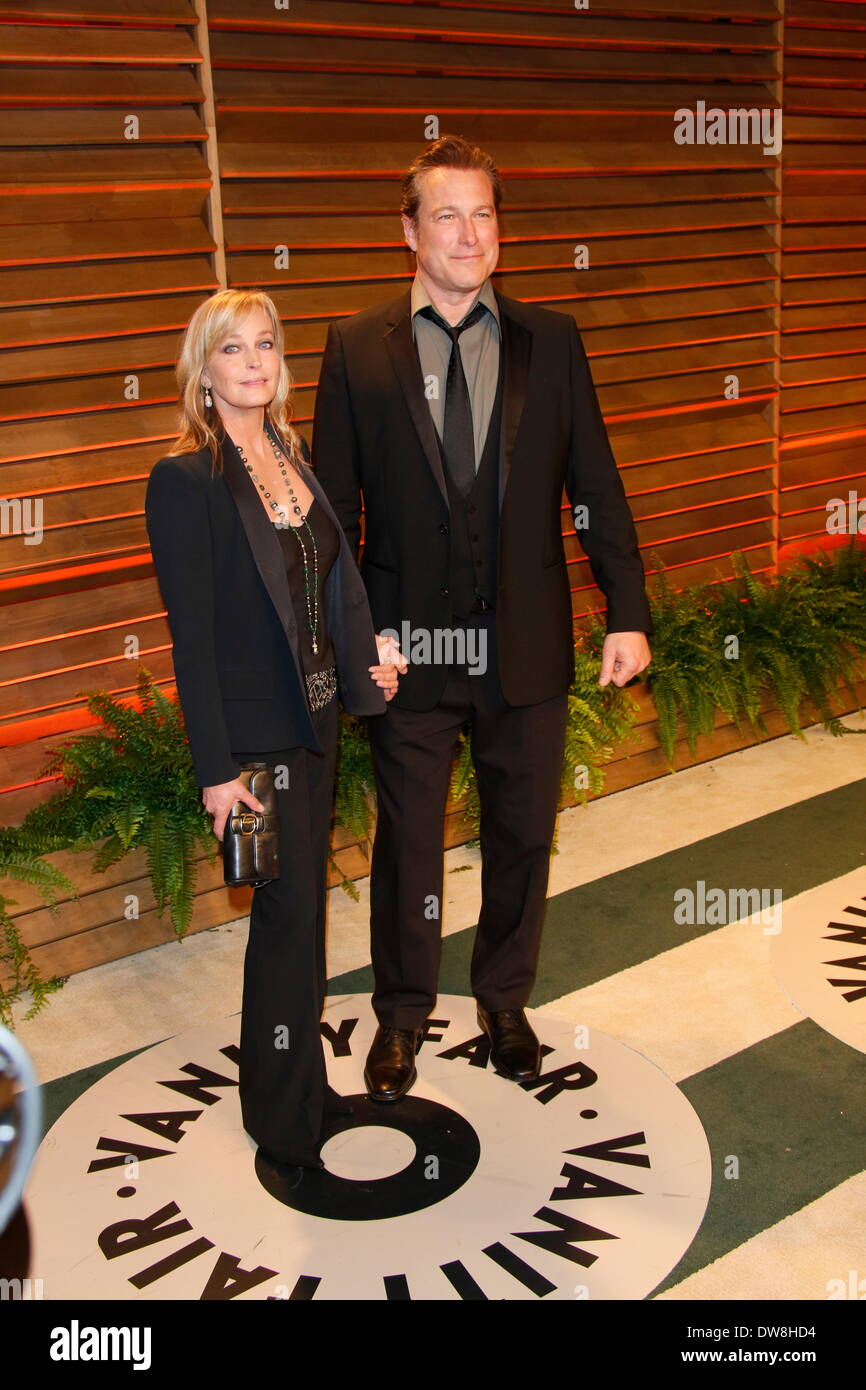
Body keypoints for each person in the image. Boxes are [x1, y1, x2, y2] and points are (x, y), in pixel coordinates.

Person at [313, 135, 653, 1102]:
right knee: (409, 842)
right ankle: (402, 1013)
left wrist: (626, 609)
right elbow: (335, 512)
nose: (469, 232)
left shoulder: (555, 341)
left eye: (485, 214)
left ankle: (505, 998)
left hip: (527, 644)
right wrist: (355, 635)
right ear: (409, 232)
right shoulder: (356, 344)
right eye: (446, 214)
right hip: (407, 652)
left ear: (501, 232)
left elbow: (597, 485)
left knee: (520, 833)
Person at [145, 289, 405, 1182]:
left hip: (321, 719)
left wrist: (373, 654)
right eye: (232, 350)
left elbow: (325, 587)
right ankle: (280, 1116)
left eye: (264, 346)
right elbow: (193, 640)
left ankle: (304, 1086)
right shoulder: (187, 479)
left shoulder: (289, 454)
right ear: (203, 368)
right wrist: (217, 775)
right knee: (284, 921)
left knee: (301, 919)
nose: (253, 363)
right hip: (258, 743)